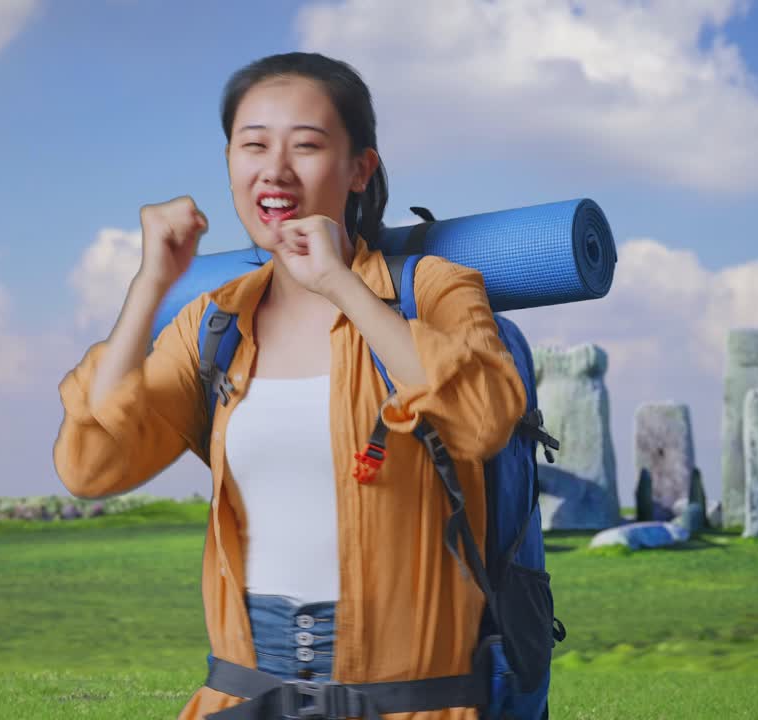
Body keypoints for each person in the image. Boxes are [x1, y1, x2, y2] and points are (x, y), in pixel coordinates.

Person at [53, 52, 527, 719]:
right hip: (244, 692)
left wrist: (341, 284)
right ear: (229, 163)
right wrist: (149, 285)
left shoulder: (433, 290)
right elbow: (92, 465)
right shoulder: (214, 322)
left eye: (305, 145)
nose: (274, 169)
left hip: (409, 697)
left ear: (360, 167)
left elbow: (482, 419)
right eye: (253, 145)